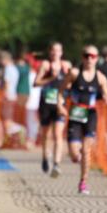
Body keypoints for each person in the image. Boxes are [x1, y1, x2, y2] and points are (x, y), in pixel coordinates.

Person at [59, 45, 107, 195]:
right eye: (86, 55)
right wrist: (60, 104)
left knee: (86, 149)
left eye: (93, 56)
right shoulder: (75, 73)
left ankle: (83, 182)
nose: (89, 58)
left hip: (90, 114)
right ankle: (79, 159)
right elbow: (61, 90)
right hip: (75, 114)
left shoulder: (101, 77)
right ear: (82, 57)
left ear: (97, 59)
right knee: (75, 154)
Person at [35, 42, 72, 176]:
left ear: (61, 52)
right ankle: (45, 157)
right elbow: (36, 83)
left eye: (58, 50)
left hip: (60, 104)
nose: (55, 53)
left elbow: (71, 84)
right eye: (53, 50)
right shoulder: (46, 65)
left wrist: (67, 81)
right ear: (50, 52)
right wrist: (51, 77)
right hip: (46, 103)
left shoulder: (66, 65)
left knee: (57, 134)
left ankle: (56, 164)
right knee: (46, 134)